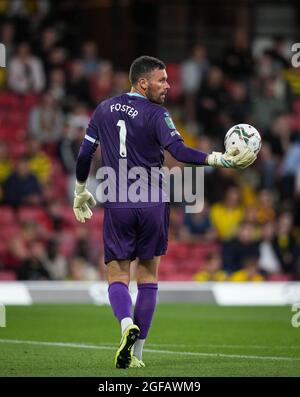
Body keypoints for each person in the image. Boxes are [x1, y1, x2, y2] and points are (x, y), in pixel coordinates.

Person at [73, 55, 256, 369]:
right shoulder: (158, 114)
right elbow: (180, 152)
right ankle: (138, 353)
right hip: (154, 202)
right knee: (148, 276)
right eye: (162, 80)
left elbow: (85, 152)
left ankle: (124, 325)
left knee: (117, 275)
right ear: (143, 83)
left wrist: (79, 190)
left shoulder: (103, 109)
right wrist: (221, 160)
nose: (168, 86)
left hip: (118, 201)